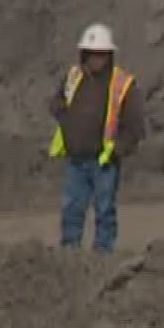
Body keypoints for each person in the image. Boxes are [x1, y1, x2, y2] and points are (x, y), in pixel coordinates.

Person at [49, 23, 143, 254]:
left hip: (104, 161)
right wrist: (68, 125)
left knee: (104, 208)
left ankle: (103, 252)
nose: (95, 59)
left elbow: (135, 124)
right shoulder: (73, 77)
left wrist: (119, 149)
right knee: (72, 207)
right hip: (76, 158)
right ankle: (69, 248)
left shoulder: (121, 84)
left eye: (100, 54)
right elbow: (56, 103)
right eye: (91, 54)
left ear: (109, 55)